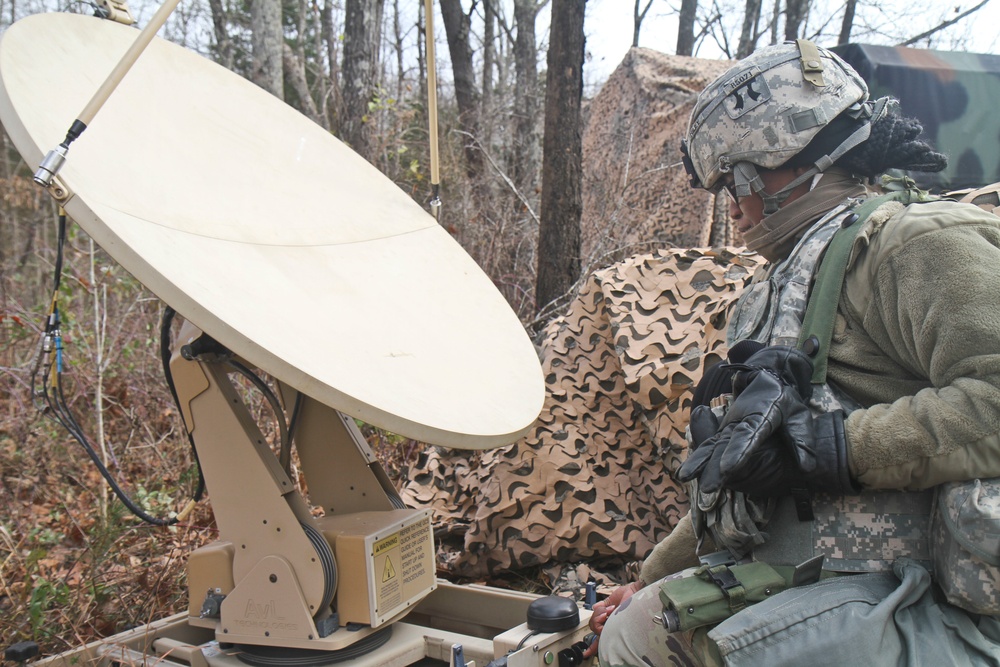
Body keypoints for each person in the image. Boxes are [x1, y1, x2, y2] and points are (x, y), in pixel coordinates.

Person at [585, 40, 1000, 666]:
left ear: (779, 165)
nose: (733, 206)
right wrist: (647, 579)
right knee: (635, 631)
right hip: (821, 582)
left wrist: (835, 447)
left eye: (736, 182)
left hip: (922, 599)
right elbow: (740, 476)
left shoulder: (917, 246)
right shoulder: (776, 287)